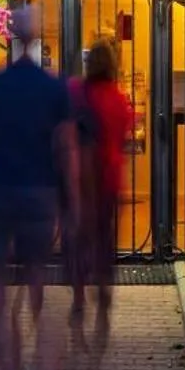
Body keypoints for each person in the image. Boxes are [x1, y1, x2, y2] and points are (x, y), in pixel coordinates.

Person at [0, 1, 77, 370]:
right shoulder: (54, 88)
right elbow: (65, 149)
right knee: (35, 278)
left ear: (9, 36)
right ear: (37, 37)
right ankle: (35, 359)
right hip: (37, 195)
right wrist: (70, 200)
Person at [67, 40, 134, 346]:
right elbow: (124, 137)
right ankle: (104, 293)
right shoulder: (120, 100)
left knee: (79, 241)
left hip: (78, 183)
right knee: (104, 242)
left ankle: (79, 298)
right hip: (108, 182)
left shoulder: (74, 92)